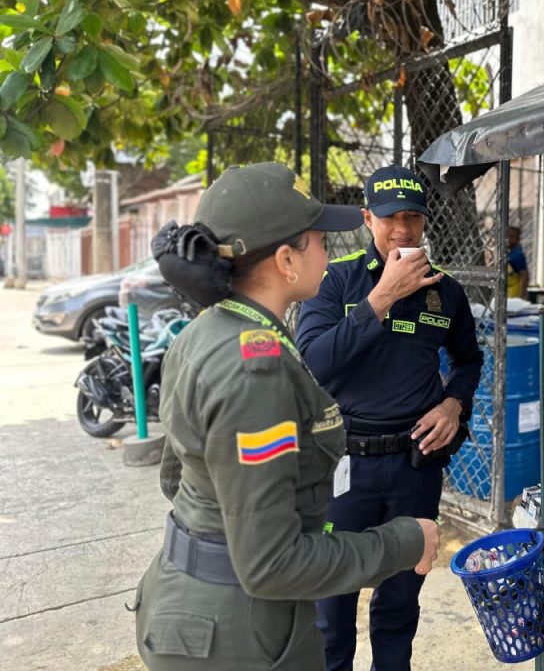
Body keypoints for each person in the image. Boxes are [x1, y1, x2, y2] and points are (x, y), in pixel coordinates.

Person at [134, 163, 439, 671]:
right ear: (286, 260)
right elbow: (271, 563)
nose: (328, 252)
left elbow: (178, 479)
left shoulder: (206, 331)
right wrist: (405, 541)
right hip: (237, 637)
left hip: (195, 605)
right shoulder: (256, 370)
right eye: (319, 240)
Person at [296, 165, 484, 671]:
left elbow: (469, 360)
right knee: (332, 606)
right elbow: (313, 362)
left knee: (400, 600)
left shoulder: (444, 290)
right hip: (343, 467)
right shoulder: (335, 280)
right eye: (389, 218)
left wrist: (453, 403)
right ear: (367, 219)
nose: (402, 229)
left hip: (414, 465)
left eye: (412, 217)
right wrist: (383, 296)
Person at [507, 225, 529, 299]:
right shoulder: (508, 253)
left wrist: (521, 295)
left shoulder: (517, 254)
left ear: (517, 239)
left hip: (514, 292)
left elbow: (524, 275)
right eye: (507, 236)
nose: (508, 239)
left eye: (511, 236)